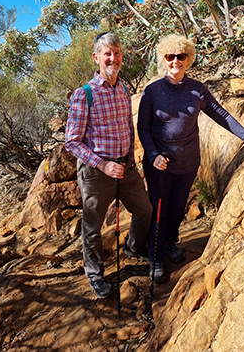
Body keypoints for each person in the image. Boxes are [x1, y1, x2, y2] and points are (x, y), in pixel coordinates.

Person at [137, 34, 244, 283]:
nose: (175, 61)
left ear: (188, 59)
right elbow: (143, 129)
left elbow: (221, 115)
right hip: (159, 163)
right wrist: (153, 154)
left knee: (177, 207)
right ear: (164, 59)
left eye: (181, 56)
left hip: (188, 162)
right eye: (170, 57)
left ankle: (169, 242)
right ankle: (155, 256)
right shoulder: (152, 92)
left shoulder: (197, 90)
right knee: (159, 209)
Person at [65, 32, 152, 299]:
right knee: (93, 227)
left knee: (145, 210)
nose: (112, 58)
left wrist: (129, 157)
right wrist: (102, 165)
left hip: (125, 168)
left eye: (116, 53)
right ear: (96, 57)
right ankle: (94, 274)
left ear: (122, 57)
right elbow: (72, 142)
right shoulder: (84, 95)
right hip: (96, 173)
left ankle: (134, 247)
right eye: (107, 54)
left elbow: (127, 125)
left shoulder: (124, 88)